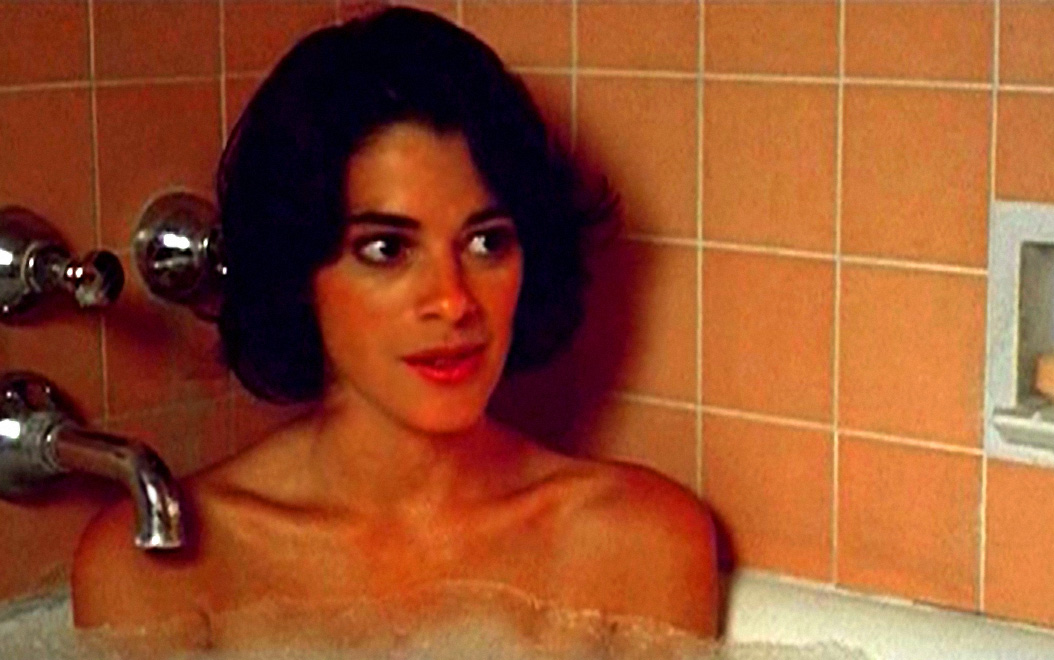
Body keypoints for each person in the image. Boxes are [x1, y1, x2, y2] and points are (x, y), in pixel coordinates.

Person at [70, 6, 718, 647]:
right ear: (297, 271)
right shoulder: (161, 564)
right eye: (386, 249)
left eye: (487, 242)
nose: (453, 301)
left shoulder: (635, 545)